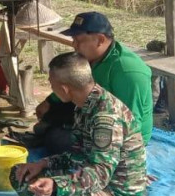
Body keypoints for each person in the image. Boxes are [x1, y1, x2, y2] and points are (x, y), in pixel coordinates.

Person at [10, 52, 148, 196]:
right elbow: (78, 156)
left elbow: (100, 174)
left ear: (65, 89)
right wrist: (42, 164)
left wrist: (57, 185)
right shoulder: (84, 105)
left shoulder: (105, 118)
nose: (51, 88)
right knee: (19, 174)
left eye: (52, 84)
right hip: (92, 183)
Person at [22, 12, 152, 155]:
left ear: (100, 40)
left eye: (78, 40)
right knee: (46, 125)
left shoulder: (127, 71)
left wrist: (130, 157)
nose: (74, 45)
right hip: (95, 113)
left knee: (56, 139)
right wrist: (49, 102)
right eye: (73, 39)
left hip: (118, 131)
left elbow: (131, 124)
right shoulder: (91, 57)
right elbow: (71, 81)